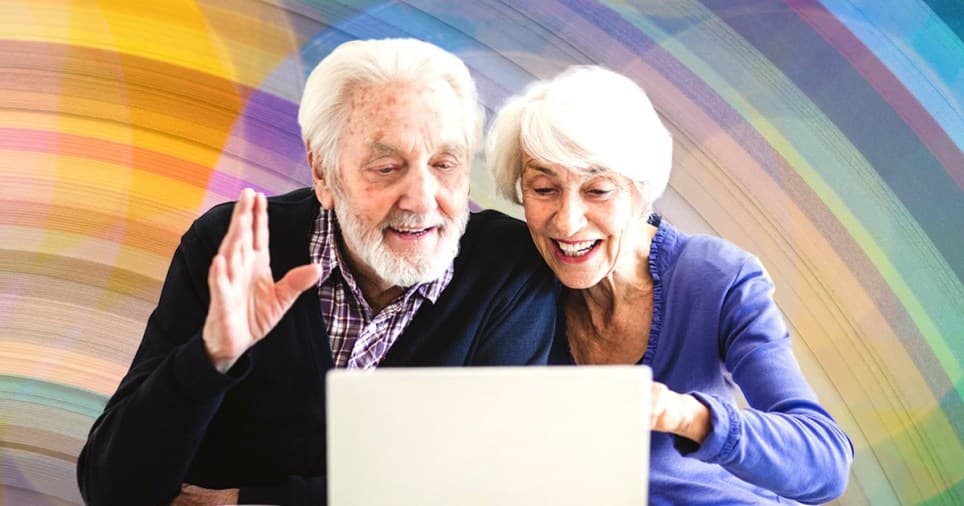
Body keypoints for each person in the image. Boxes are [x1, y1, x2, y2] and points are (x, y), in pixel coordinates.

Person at [77, 38, 557, 506]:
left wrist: (246, 502)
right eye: (387, 167)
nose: (421, 199)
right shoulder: (234, 247)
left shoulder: (507, 269)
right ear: (323, 172)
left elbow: (483, 485)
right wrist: (211, 356)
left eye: (444, 164)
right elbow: (112, 489)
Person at [486, 65, 854, 505]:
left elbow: (825, 464)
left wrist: (684, 415)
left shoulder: (716, 278)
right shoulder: (513, 283)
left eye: (598, 191)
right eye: (544, 189)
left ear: (640, 191)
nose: (566, 222)